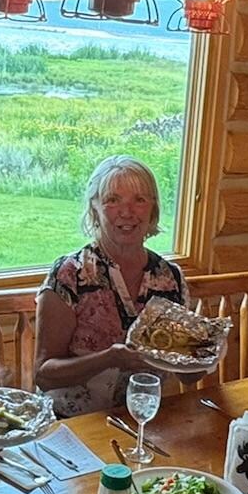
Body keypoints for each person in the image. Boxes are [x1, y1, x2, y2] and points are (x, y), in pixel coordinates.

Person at [35, 154, 186, 417]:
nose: (127, 212)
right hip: (74, 425)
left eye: (139, 200)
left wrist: (205, 352)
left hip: (145, 420)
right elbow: (44, 375)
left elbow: (190, 377)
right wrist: (110, 358)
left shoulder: (169, 278)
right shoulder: (71, 274)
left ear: (153, 208)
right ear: (94, 207)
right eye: (113, 200)